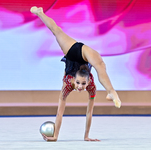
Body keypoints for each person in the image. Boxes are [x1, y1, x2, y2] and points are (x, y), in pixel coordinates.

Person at [30, 6, 121, 142]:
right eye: (78, 83)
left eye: (83, 84)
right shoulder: (67, 85)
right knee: (56, 30)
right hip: (73, 52)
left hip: (83, 56)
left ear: (89, 81)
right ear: (73, 80)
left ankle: (111, 92)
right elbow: (60, 113)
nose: (79, 87)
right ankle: (40, 13)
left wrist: (86, 136)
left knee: (100, 65)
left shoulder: (91, 86)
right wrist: (55, 136)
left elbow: (89, 113)